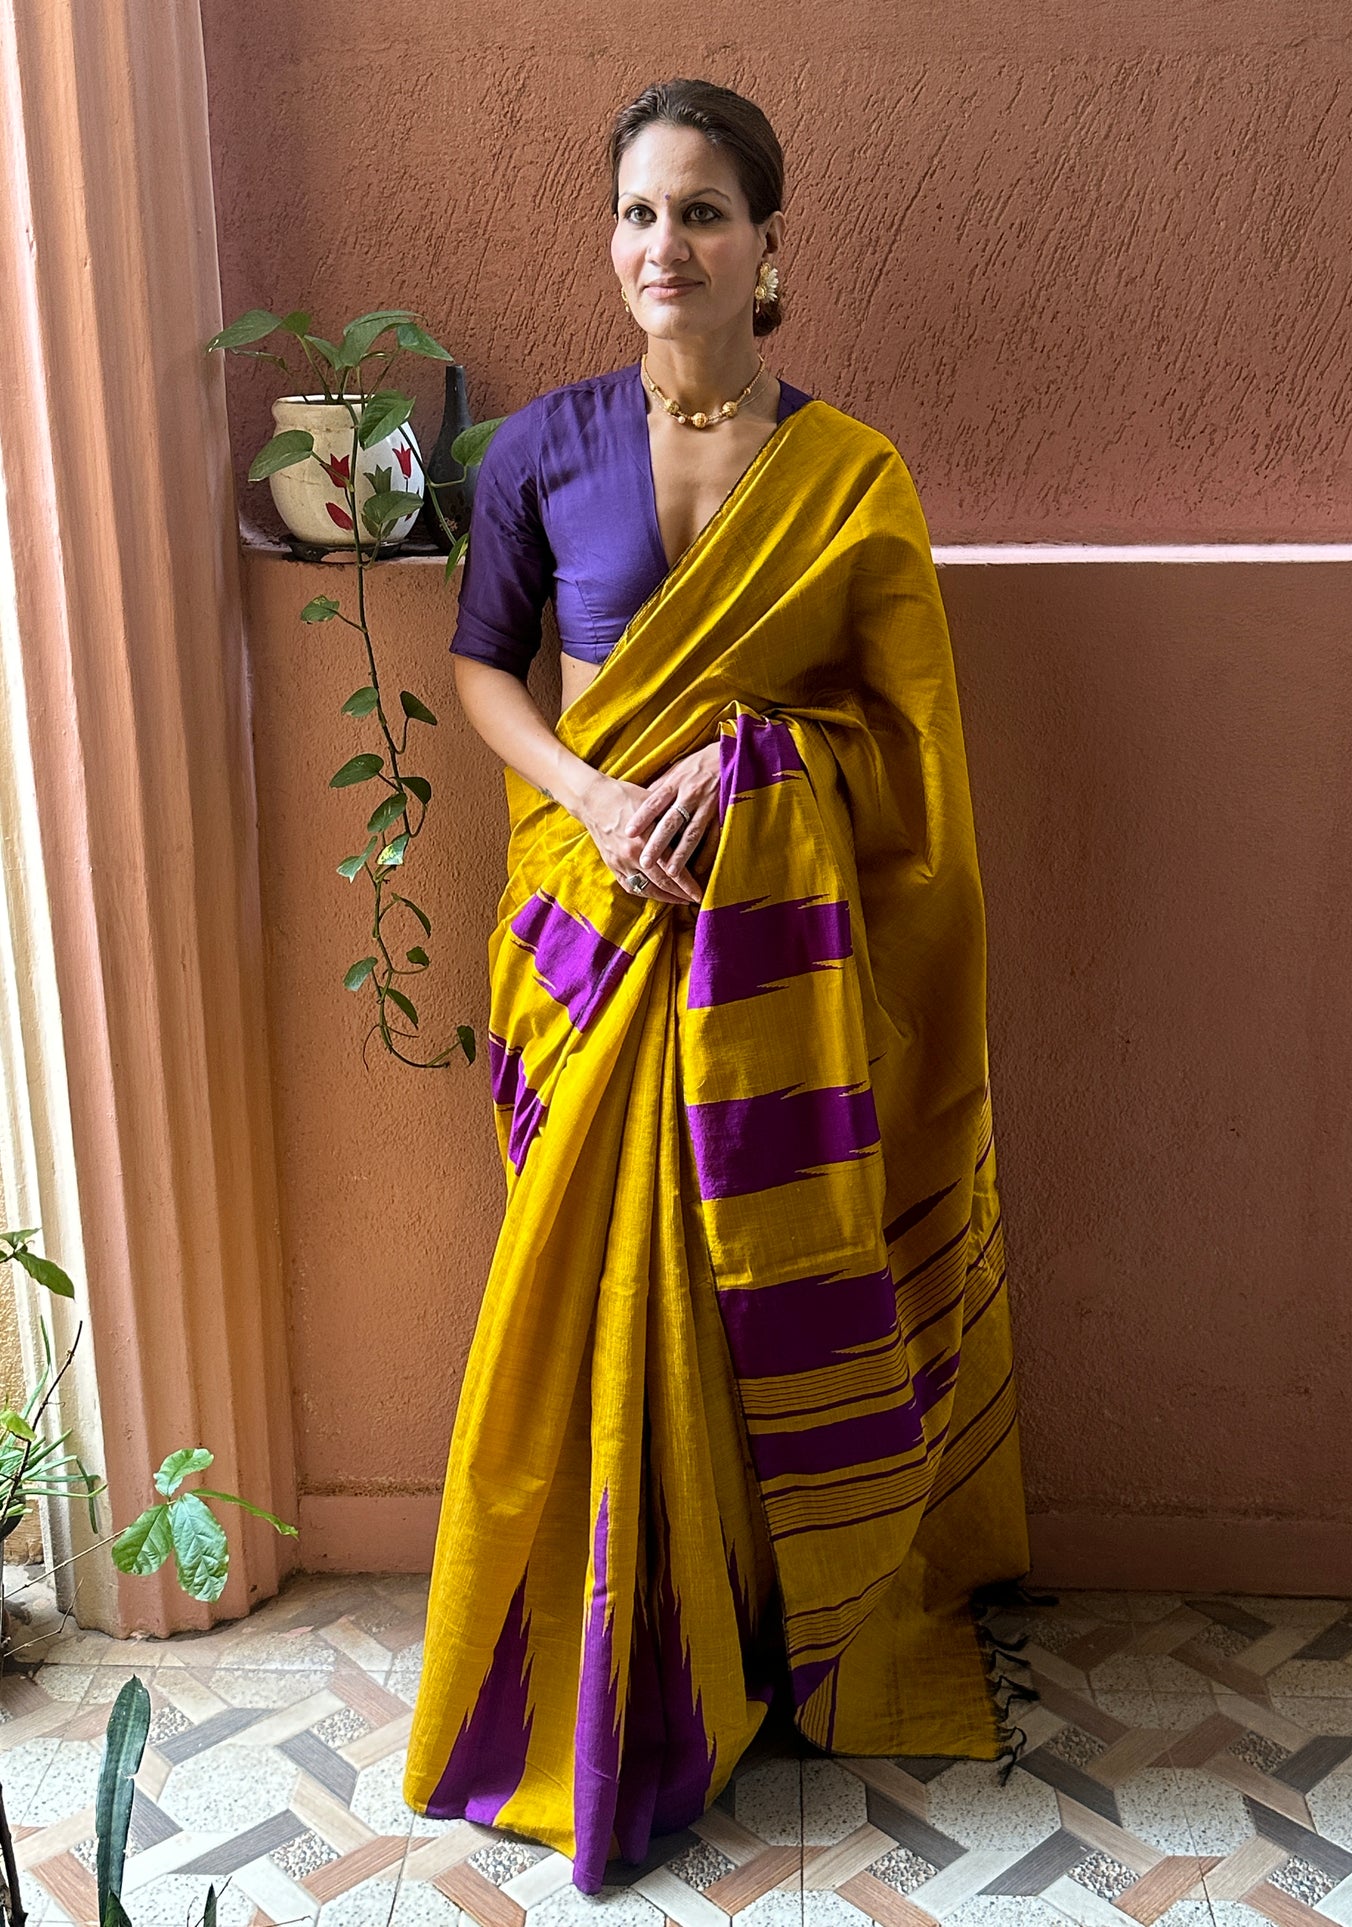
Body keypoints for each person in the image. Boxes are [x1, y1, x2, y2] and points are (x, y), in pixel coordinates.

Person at [402, 76, 1036, 1892]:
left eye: (700, 214)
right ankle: (601, 1653)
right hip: (587, 939)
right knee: (587, 1294)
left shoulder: (849, 477)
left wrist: (759, 761)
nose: (661, 246)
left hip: (773, 953)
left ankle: (755, 1635)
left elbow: (903, 749)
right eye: (635, 215)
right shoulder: (537, 447)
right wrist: (602, 793)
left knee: (757, 1265)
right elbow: (481, 672)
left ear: (769, 250)